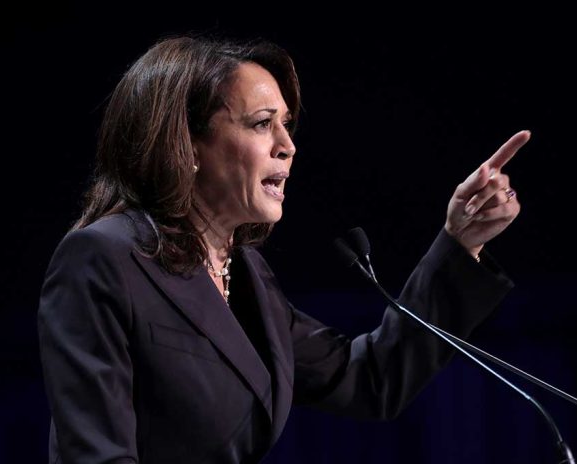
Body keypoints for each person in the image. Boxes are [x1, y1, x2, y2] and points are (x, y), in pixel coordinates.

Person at [37, 34, 529, 463]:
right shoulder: (103, 259)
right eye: (260, 123)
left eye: (286, 125)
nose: (287, 145)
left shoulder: (247, 274)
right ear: (185, 145)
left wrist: (461, 240)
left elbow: (370, 379)